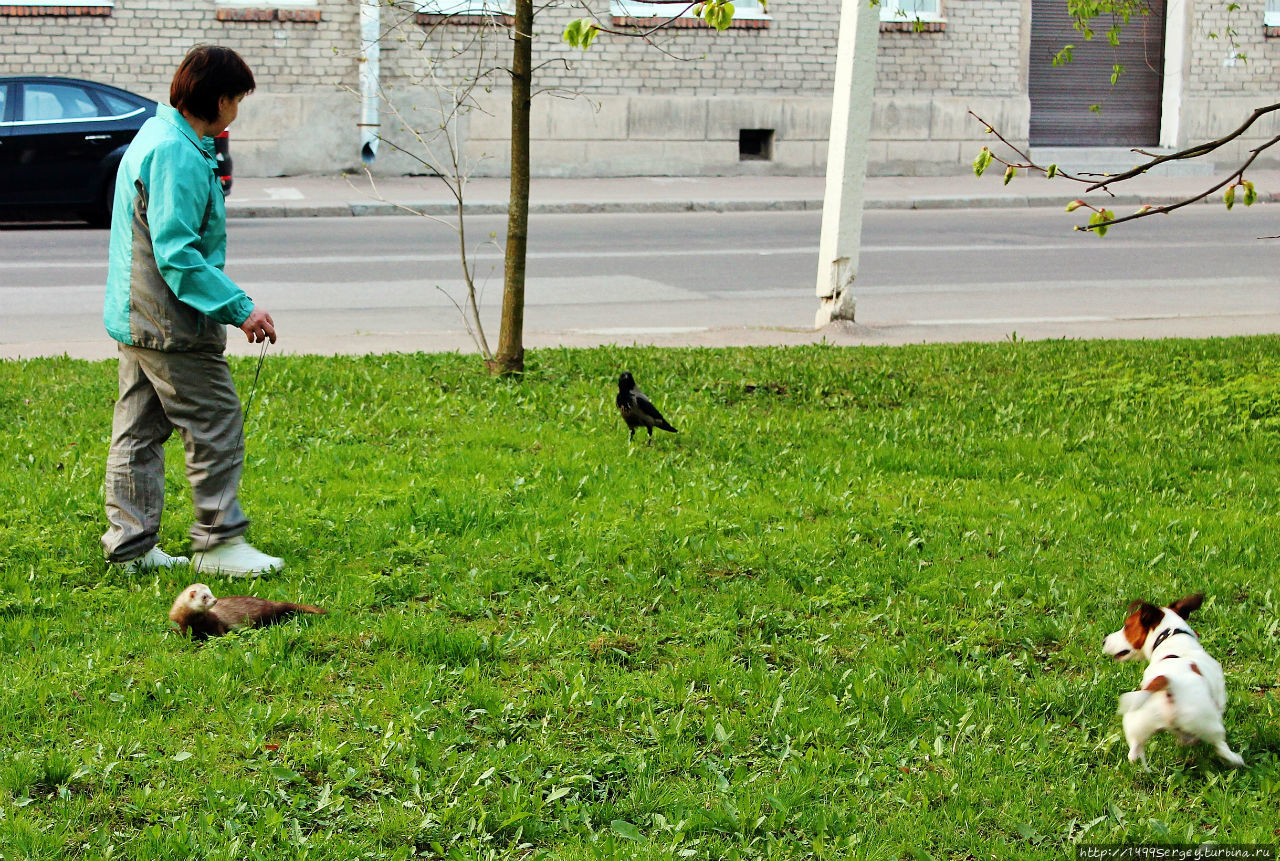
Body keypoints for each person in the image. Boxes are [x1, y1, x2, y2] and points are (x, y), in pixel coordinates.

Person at [102, 45, 283, 578]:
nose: (237, 111)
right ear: (220, 98)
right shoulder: (177, 153)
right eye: (237, 100)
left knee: (137, 432)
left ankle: (131, 549)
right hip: (168, 323)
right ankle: (219, 543)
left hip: (137, 316)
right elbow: (177, 253)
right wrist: (240, 308)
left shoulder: (159, 137)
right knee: (217, 420)